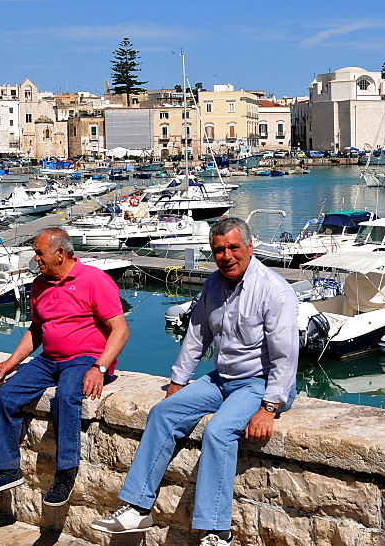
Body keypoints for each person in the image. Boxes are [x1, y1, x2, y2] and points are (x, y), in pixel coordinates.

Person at [91, 217, 299, 546]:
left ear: (249, 247)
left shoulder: (274, 291)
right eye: (219, 250)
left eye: (233, 248)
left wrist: (269, 408)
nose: (227, 255)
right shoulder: (213, 285)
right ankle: (136, 508)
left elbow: (285, 356)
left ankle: (217, 532)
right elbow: (197, 334)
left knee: (218, 431)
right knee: (163, 413)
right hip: (222, 378)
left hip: (261, 382)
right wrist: (178, 381)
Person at [0, 227, 129, 506]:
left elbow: (121, 330)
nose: (36, 260)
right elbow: (36, 330)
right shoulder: (40, 284)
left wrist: (100, 368)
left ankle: (66, 472)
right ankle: (7, 469)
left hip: (85, 359)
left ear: (60, 253)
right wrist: (10, 362)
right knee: (7, 395)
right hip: (48, 360)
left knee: (66, 396)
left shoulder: (94, 280)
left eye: (40, 254)